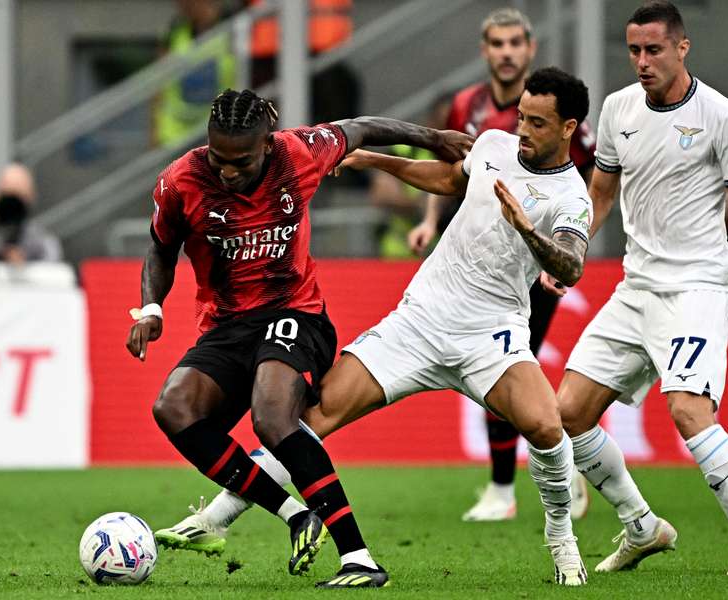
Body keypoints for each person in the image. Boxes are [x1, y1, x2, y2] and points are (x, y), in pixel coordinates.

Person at [160, 68, 595, 586]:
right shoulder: (496, 144)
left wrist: (527, 230)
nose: (522, 129)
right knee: (305, 418)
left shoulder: (572, 196)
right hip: (419, 320)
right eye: (521, 115)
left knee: (547, 427)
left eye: (537, 123)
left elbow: (570, 266)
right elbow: (450, 180)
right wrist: (372, 159)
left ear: (569, 128)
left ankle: (562, 541)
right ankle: (217, 518)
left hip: (490, 335)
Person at [129, 88, 471, 587]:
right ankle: (294, 515)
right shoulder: (182, 180)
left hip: (296, 314)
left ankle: (358, 558)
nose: (226, 170)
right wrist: (152, 307)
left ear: (266, 143)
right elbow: (161, 249)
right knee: (173, 408)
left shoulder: (300, 152)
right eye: (218, 158)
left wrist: (433, 138)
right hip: (227, 326)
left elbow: (363, 126)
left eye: (240, 160)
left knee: (272, 416)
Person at [553, 1, 728, 576]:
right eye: (634, 50)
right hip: (637, 287)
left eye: (653, 50)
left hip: (698, 288)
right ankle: (642, 527)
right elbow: (602, 195)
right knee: (568, 411)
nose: (641, 61)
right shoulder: (617, 110)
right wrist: (571, 249)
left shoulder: (724, 119)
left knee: (688, 410)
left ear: (682, 48)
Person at [407, 7, 593, 523]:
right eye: (497, 43)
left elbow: (586, 188)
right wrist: (428, 222)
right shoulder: (469, 107)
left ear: (529, 49)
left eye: (515, 43)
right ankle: (546, 469)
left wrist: (560, 251)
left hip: (536, 264)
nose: (506, 52)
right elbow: (453, 174)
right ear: (485, 50)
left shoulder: (561, 111)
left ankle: (506, 485)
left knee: (511, 367)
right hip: (477, 257)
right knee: (507, 373)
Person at [368, 94, 452, 258]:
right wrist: (422, 205)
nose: (448, 131)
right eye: (442, 122)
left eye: (452, 124)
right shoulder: (406, 150)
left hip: (447, 257)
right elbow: (381, 194)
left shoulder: (468, 156)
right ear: (431, 121)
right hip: (400, 252)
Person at [152, 0, 239, 148]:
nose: (179, 5)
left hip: (220, 134)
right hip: (176, 136)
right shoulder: (175, 31)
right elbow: (158, 83)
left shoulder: (234, 29)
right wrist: (154, 129)